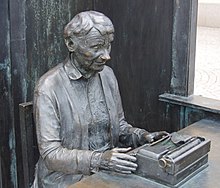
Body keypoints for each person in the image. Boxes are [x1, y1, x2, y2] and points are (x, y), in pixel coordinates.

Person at [32, 11, 167, 188]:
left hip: (107, 173)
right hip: (65, 180)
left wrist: (141, 136)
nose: (106, 56)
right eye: (96, 48)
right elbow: (51, 154)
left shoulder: (107, 75)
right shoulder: (48, 87)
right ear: (71, 44)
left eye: (108, 46)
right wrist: (100, 160)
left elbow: (120, 125)